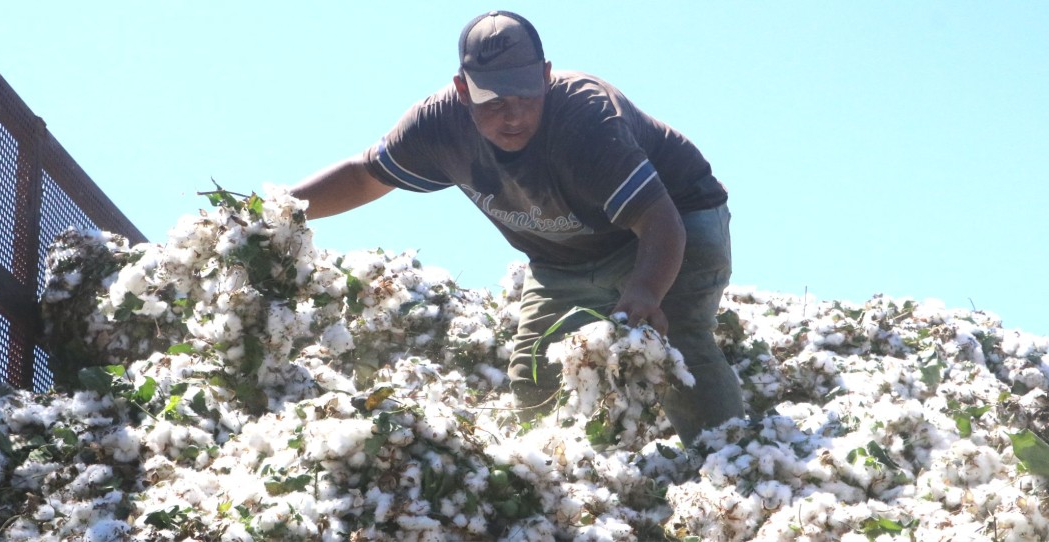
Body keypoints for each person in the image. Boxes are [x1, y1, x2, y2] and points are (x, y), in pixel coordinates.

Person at [289, 10, 745, 444]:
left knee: (679, 340)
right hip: (561, 258)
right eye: (494, 100)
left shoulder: (586, 120)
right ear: (463, 90)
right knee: (533, 370)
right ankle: (553, 485)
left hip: (674, 223)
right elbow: (364, 175)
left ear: (546, 76)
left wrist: (646, 291)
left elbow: (659, 221)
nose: (513, 115)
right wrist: (281, 211)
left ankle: (731, 466)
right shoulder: (436, 126)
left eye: (527, 95)